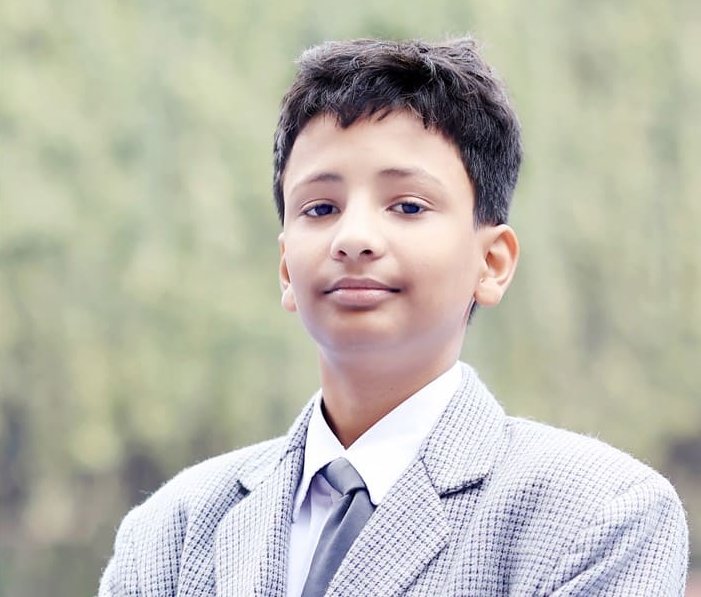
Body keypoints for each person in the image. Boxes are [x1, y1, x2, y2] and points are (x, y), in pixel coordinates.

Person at [99, 37, 688, 596]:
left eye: (407, 205)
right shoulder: (172, 532)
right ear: (285, 269)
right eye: (320, 208)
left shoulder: (599, 517)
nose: (353, 238)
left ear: (491, 262)